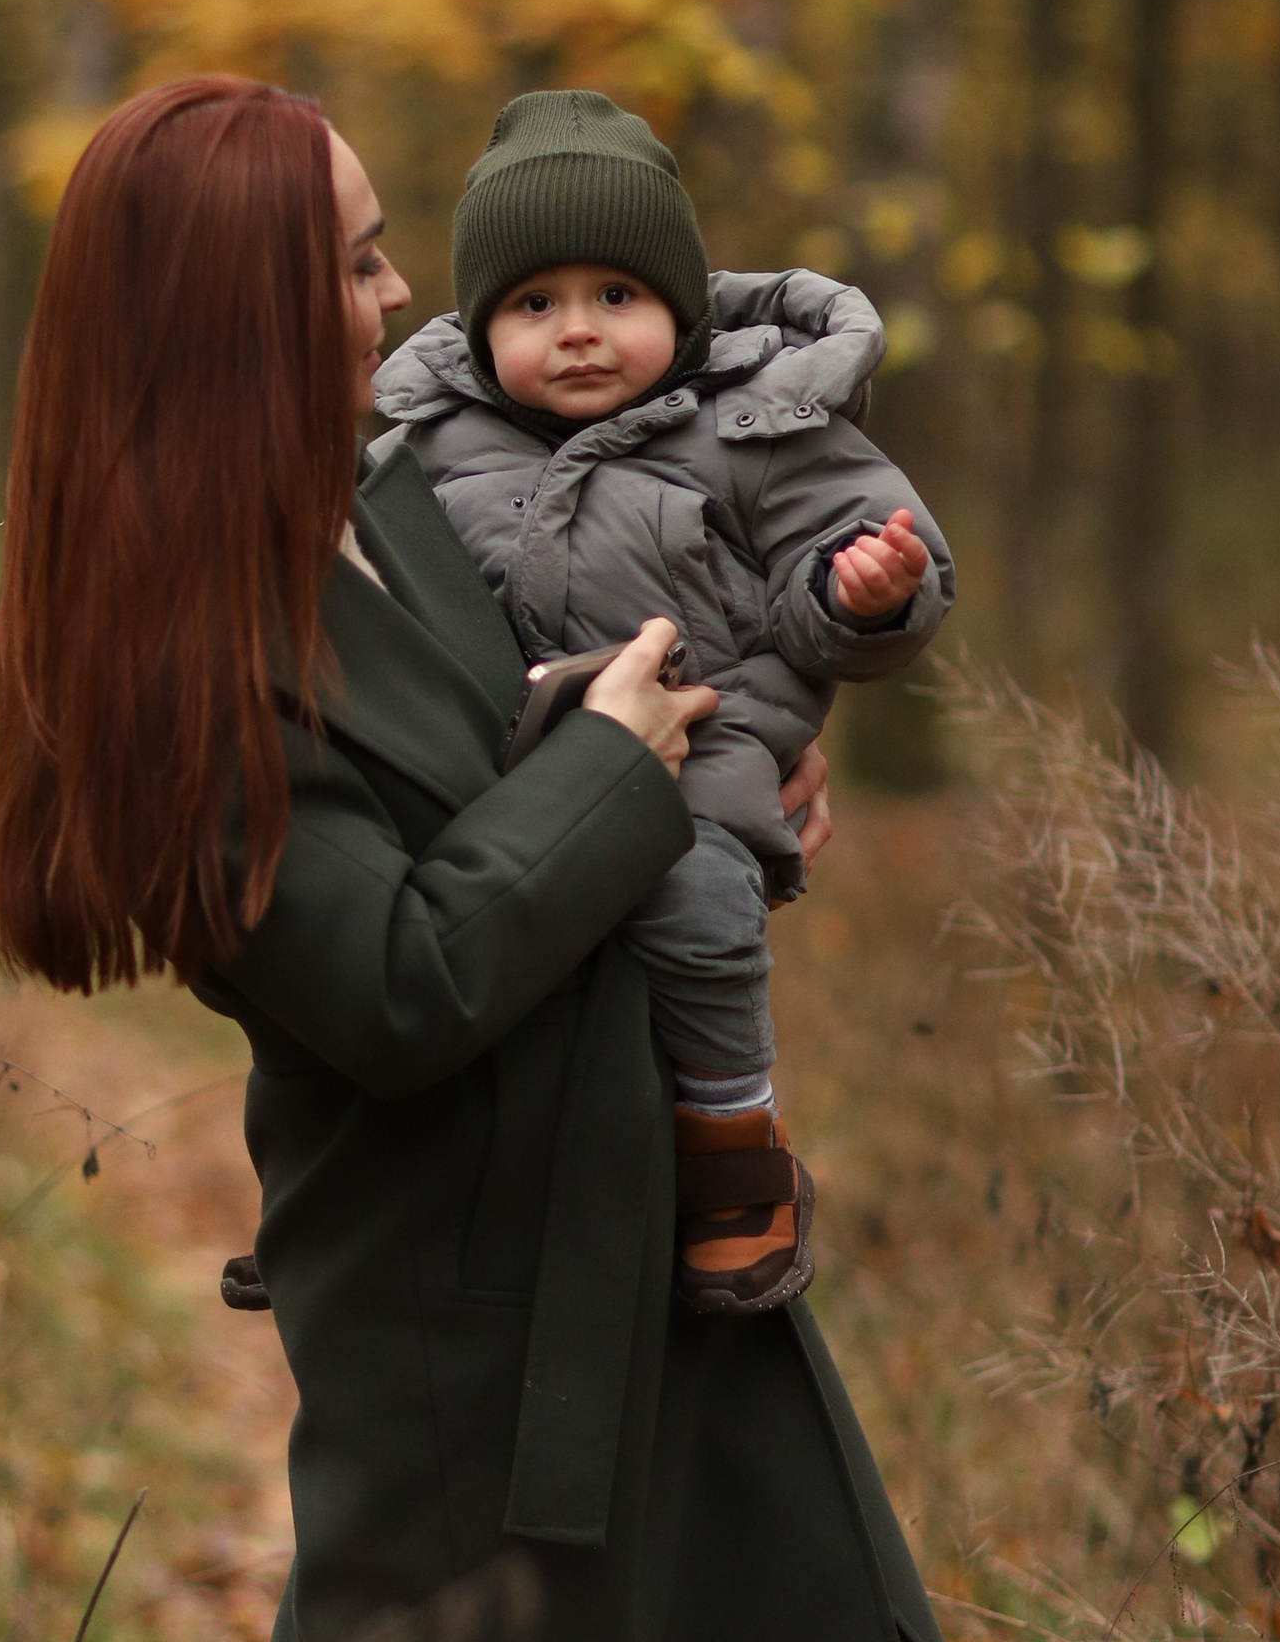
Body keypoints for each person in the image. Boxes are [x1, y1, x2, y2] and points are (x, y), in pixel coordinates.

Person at [0, 73, 1146, 1642]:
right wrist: (616, 774)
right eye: (361, 263)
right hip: (443, 1286)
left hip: (666, 1198)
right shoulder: (171, 655)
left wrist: (724, 776)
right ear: (227, 321)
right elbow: (394, 978)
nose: (411, 304)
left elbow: (644, 702)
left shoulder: (414, 504)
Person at [371, 84, 952, 1313]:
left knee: (691, 906)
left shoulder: (755, 424)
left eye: (615, 298)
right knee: (419, 924)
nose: (576, 332)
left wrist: (861, 594)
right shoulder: (426, 440)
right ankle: (378, 1183)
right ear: (480, 330)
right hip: (499, 755)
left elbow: (838, 568)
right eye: (535, 305)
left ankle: (731, 1140)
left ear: (679, 309)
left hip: (705, 739)